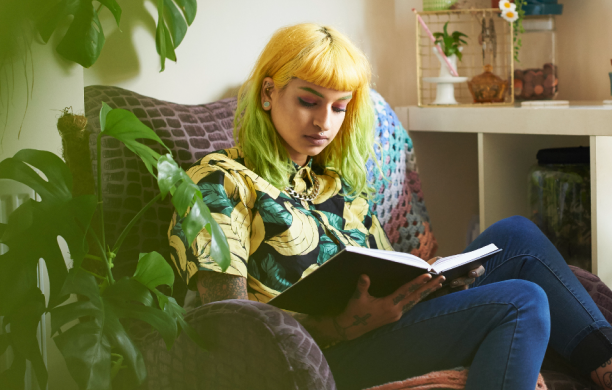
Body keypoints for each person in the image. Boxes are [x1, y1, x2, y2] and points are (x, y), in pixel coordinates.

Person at [167, 23, 612, 389]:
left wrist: (434, 281)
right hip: (328, 354)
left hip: (387, 328)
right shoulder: (218, 181)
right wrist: (341, 325)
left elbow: (387, 270)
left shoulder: (335, 184)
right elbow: (230, 323)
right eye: (308, 101)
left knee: (517, 235)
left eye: (339, 107)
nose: (323, 122)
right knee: (522, 301)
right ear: (268, 93)